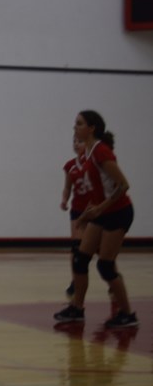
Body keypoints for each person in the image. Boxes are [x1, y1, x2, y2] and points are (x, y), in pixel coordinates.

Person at [54, 110, 137, 328]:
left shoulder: (100, 151)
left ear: (92, 128)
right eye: (75, 124)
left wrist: (100, 209)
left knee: (105, 266)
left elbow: (123, 185)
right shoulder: (87, 153)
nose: (75, 128)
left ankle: (128, 314)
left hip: (118, 212)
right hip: (102, 213)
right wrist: (84, 216)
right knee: (80, 259)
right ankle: (77, 308)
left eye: (79, 124)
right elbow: (97, 191)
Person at [60, 137, 89, 299]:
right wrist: (64, 200)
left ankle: (113, 279)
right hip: (77, 210)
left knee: (101, 249)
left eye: (80, 141)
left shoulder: (93, 162)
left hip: (94, 210)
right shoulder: (70, 166)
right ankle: (75, 280)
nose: (77, 144)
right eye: (75, 142)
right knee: (76, 247)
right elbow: (67, 187)